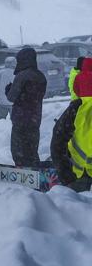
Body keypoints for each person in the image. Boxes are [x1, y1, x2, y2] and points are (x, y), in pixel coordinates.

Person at [51, 57, 92, 192]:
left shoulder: (75, 109)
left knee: (78, 211)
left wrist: (64, 174)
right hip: (81, 175)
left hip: (79, 174)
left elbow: (57, 142)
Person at [6, 47, 47, 167]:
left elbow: (11, 97)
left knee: (18, 150)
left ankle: (23, 174)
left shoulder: (21, 76)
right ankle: (35, 171)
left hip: (20, 119)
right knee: (32, 150)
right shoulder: (41, 76)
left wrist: (8, 90)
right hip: (35, 118)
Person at [0, 56, 16, 122]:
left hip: (2, 103)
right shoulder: (17, 73)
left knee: (0, 123)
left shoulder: (0, 73)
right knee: (15, 123)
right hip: (14, 103)